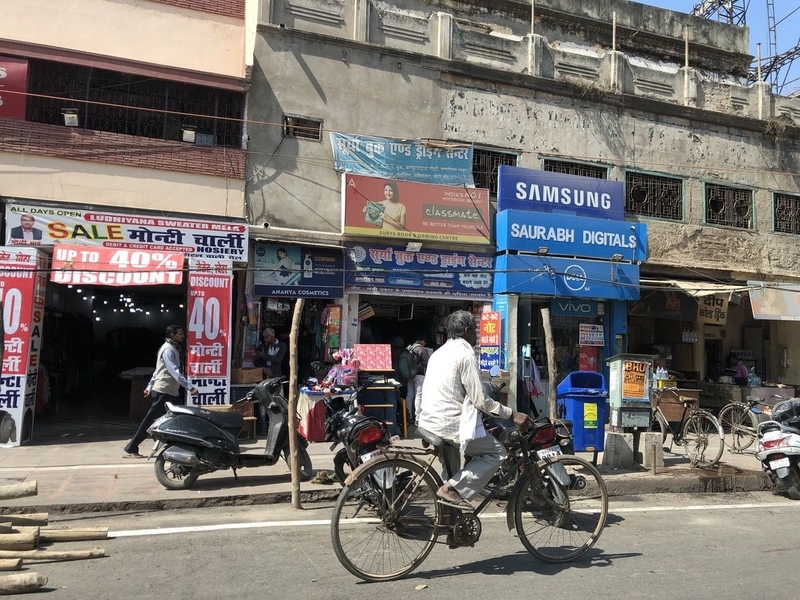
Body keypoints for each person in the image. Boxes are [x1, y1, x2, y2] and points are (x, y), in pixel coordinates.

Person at [418, 310, 531, 508]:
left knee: (452, 475)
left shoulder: (438, 352)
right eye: (475, 330)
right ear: (468, 330)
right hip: (448, 424)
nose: (477, 334)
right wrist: (511, 414)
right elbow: (481, 401)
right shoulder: (465, 354)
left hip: (428, 420)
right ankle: (451, 489)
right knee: (497, 452)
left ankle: (449, 517)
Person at [124, 325, 198, 458]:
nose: (182, 335)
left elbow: (157, 371)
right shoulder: (168, 350)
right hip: (164, 392)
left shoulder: (172, 348)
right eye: (179, 333)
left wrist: (149, 387)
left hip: (171, 392)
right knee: (150, 421)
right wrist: (190, 387)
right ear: (172, 335)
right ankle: (132, 448)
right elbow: (174, 372)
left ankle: (180, 446)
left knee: (179, 418)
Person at [405, 334, 429, 427]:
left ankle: (408, 415)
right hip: (419, 374)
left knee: (409, 394)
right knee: (418, 396)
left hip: (410, 374)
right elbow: (427, 362)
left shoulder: (409, 348)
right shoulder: (422, 349)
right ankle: (418, 418)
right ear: (422, 341)